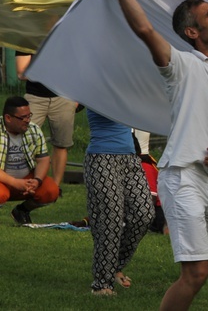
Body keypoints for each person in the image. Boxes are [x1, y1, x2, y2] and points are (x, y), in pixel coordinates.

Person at [89, 0, 208, 310]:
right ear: (192, 32)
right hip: (182, 178)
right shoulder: (180, 65)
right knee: (196, 273)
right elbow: (143, 28)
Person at [85, 109, 155, 296]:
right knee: (110, 220)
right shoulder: (96, 87)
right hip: (101, 157)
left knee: (144, 214)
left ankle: (113, 266)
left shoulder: (126, 85)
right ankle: (102, 284)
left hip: (130, 157)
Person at [0, 96, 60, 224]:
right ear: (8, 118)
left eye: (29, 116)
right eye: (23, 118)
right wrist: (15, 182)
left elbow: (43, 159)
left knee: (51, 191)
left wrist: (37, 180)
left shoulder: (34, 129)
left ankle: (22, 210)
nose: (28, 121)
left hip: (26, 178)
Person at [16, 52, 78, 187]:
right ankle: (25, 181)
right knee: (23, 140)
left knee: (61, 144)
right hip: (35, 97)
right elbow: (22, 72)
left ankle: (55, 187)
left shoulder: (65, 37)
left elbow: (77, 67)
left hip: (64, 97)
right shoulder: (29, 39)